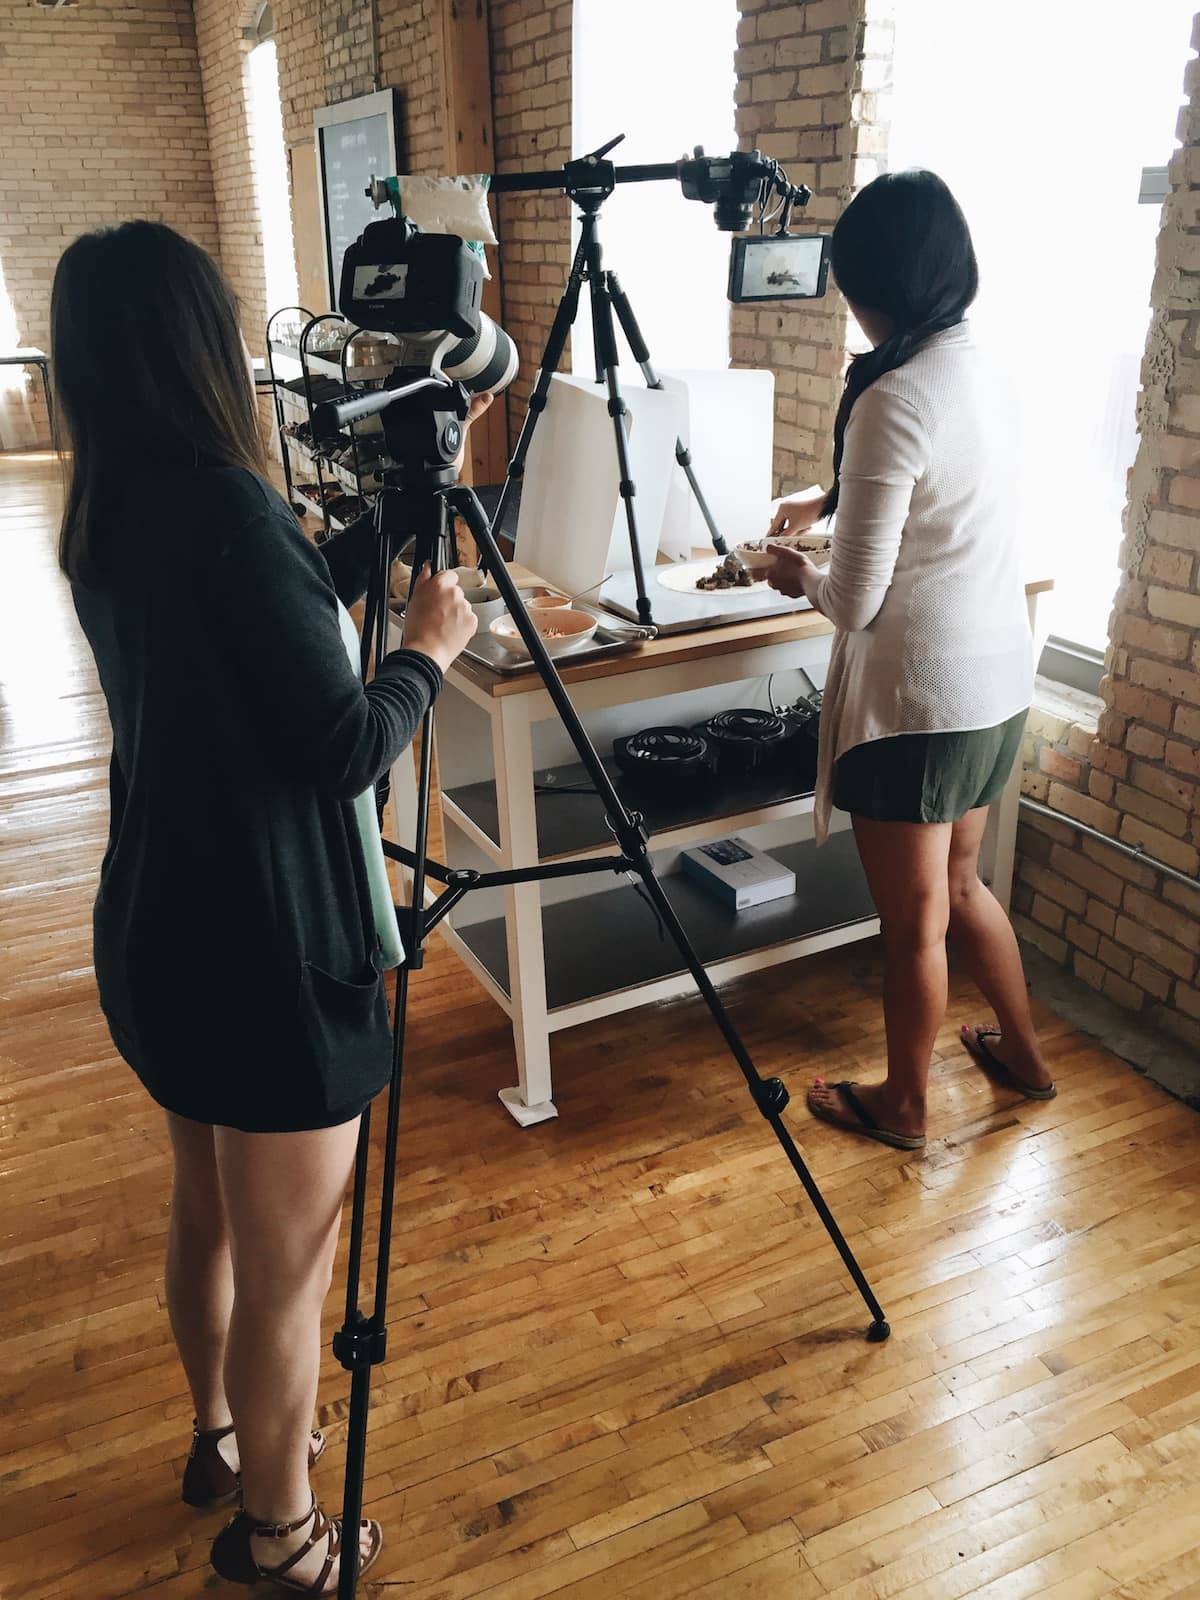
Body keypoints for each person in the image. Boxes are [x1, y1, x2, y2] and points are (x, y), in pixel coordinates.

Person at [52, 220, 485, 1592]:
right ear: (198, 348)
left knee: (210, 1204)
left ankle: (221, 1439)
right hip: (270, 952)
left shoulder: (110, 510)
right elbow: (346, 743)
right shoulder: (227, 515)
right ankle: (284, 1542)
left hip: (162, 931)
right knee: (292, 1266)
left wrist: (363, 541)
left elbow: (258, 633)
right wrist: (425, 651)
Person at [764, 171, 1055, 1154]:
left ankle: (907, 1104)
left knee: (915, 921)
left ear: (880, 283)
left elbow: (852, 600)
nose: (851, 303)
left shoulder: (891, 394)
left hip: (919, 703)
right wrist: (830, 499)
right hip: (997, 683)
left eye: (852, 283)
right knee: (965, 889)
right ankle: (1024, 1055)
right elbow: (936, 499)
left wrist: (789, 570)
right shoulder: (983, 370)